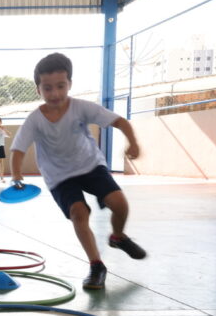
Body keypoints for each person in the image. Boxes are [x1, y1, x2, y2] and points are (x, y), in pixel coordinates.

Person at [10, 52, 146, 291]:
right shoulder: (34, 120)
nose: (55, 93)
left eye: (61, 86)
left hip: (90, 165)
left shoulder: (81, 108)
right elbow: (18, 149)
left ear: (69, 84)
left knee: (120, 204)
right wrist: (16, 175)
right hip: (59, 176)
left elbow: (120, 122)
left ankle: (118, 236)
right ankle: (96, 265)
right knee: (78, 213)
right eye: (48, 88)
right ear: (38, 90)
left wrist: (133, 142)